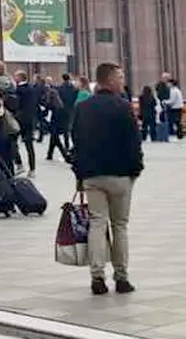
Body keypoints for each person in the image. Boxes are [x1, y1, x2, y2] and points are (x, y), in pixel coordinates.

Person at [72, 62, 143, 296]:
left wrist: (79, 173)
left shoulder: (83, 108)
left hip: (92, 175)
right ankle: (122, 278)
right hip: (121, 174)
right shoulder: (123, 107)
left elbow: (77, 142)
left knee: (97, 224)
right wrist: (136, 169)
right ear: (109, 80)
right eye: (120, 77)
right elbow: (134, 141)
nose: (122, 81)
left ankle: (97, 278)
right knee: (120, 226)